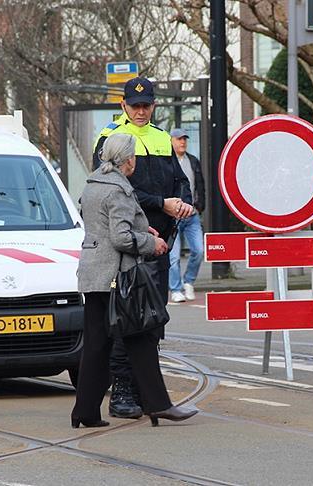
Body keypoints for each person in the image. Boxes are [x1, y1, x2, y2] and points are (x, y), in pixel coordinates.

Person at [72, 133, 197, 428]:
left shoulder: (93, 185)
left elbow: (100, 225)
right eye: (134, 158)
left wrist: (144, 230)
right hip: (119, 277)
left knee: (96, 346)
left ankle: (85, 412)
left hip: (94, 275)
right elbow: (120, 237)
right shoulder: (119, 190)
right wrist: (149, 242)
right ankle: (159, 406)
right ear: (129, 160)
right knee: (142, 335)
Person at [92, 77, 193, 419]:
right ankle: (122, 392)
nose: (140, 110)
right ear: (123, 106)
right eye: (134, 105)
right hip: (130, 245)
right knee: (128, 319)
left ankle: (143, 392)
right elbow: (115, 188)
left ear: (153, 106)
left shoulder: (163, 138)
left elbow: (180, 181)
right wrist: (163, 203)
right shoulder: (111, 139)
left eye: (146, 105)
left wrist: (185, 203)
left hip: (160, 245)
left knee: (151, 321)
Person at [167, 128, 205, 303]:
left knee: (199, 250)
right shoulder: (166, 162)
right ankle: (175, 289)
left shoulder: (193, 161)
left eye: (184, 139)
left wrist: (199, 206)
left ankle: (188, 281)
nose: (182, 142)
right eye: (179, 139)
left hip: (192, 215)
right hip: (173, 216)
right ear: (171, 141)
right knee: (173, 256)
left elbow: (200, 185)